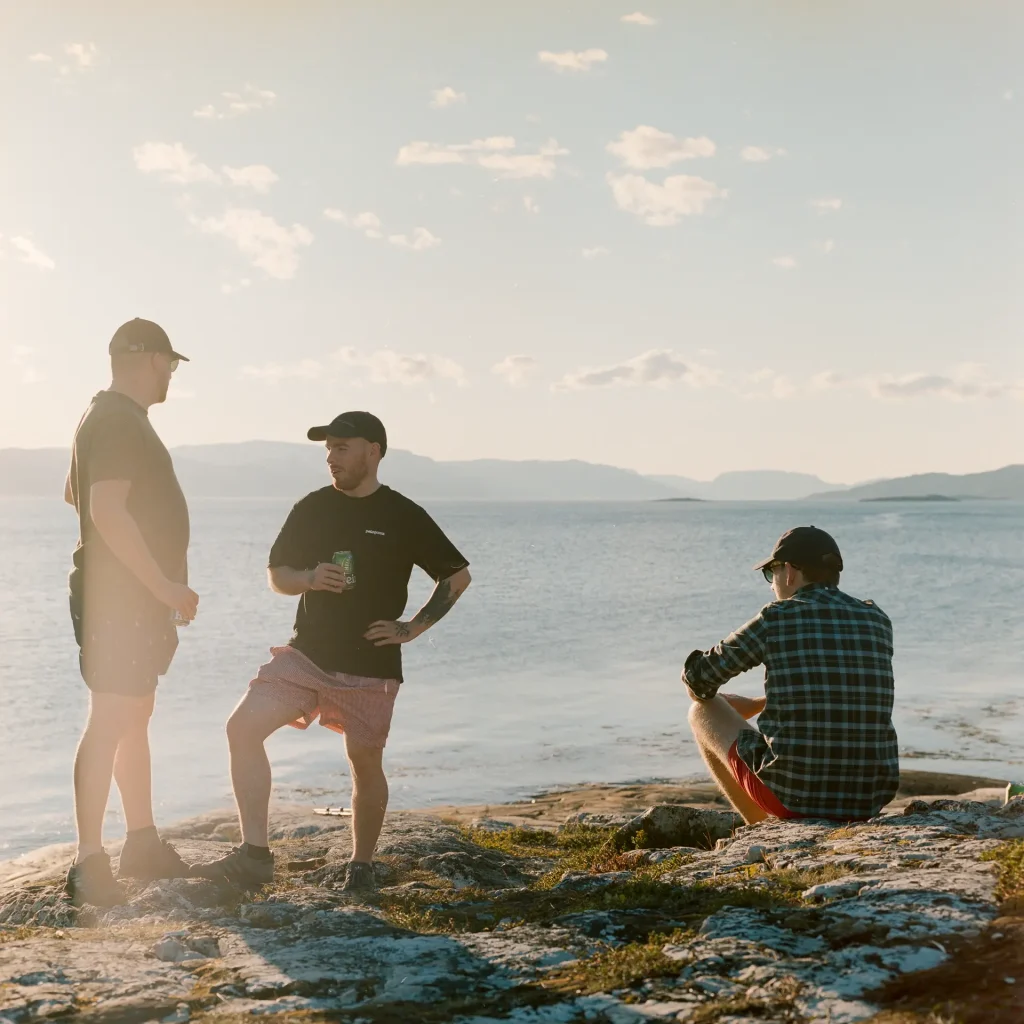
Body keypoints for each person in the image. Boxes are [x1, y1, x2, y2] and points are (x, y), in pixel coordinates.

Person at [194, 412, 471, 893]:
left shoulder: (403, 514)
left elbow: (456, 577)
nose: (331, 457)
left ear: (373, 451)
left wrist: (412, 629)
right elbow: (278, 573)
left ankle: (361, 864)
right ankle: (254, 855)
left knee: (364, 762)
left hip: (370, 664)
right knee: (241, 729)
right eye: (328, 449)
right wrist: (307, 579)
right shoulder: (313, 507)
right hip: (307, 657)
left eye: (342, 447)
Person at [64, 319, 200, 906]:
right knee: (110, 720)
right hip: (119, 600)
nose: (171, 372)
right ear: (145, 359)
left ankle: (140, 841)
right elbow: (105, 512)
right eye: (169, 361)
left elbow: (76, 495)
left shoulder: (111, 418)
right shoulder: (117, 418)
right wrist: (165, 585)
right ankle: (88, 862)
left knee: (134, 716)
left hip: (130, 600)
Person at [682, 526, 898, 824]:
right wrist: (762, 701)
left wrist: (716, 702)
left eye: (771, 574)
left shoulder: (777, 617)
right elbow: (838, 688)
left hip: (794, 797)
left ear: (790, 572)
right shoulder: (877, 620)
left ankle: (757, 827)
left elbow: (698, 680)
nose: (772, 585)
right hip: (867, 800)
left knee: (699, 711)